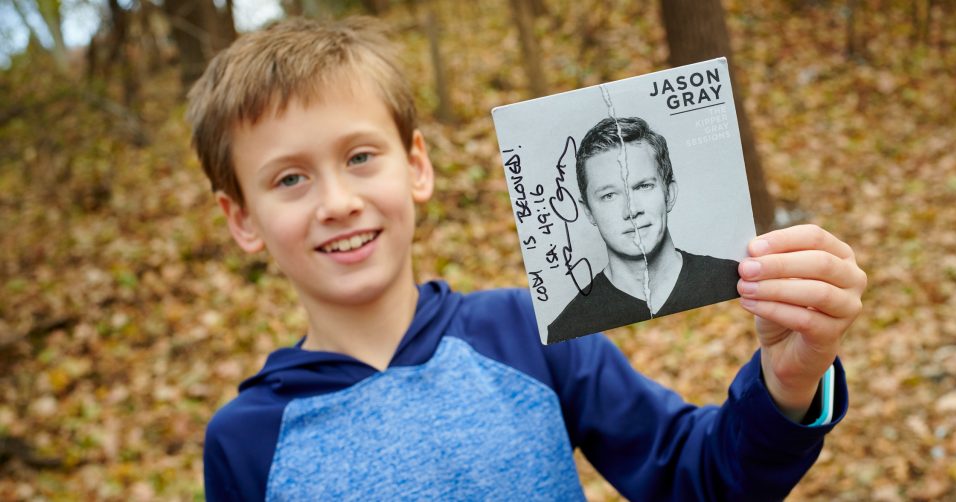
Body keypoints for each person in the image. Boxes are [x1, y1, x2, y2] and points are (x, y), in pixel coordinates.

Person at [188, 17, 867, 501]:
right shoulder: (244, 443)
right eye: (289, 179)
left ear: (416, 167)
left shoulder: (526, 335)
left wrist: (785, 387)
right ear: (242, 218)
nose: (336, 201)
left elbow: (703, 478)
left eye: (360, 158)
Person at [546, 116, 740, 343]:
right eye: (609, 195)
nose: (631, 210)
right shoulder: (566, 330)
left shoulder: (731, 280)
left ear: (669, 194)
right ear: (588, 211)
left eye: (643, 186)